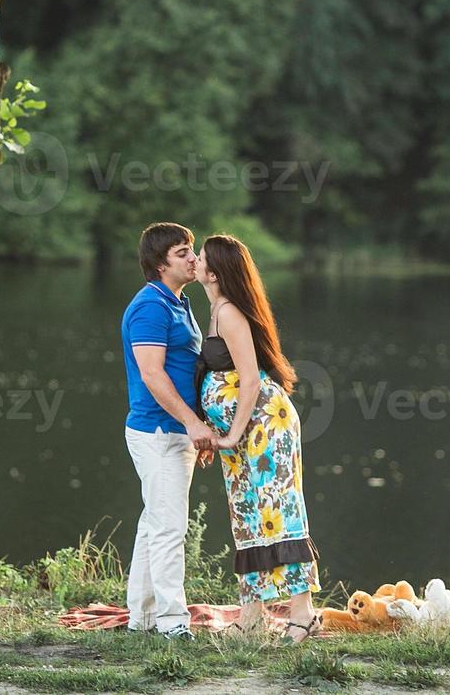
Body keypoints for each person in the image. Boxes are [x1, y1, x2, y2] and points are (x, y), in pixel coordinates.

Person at [193, 233, 322, 644]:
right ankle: (251, 617)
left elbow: (250, 379)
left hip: (264, 425)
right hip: (241, 433)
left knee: (278, 511)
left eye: (200, 258)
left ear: (214, 272)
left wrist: (230, 434)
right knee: (248, 516)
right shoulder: (215, 309)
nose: (194, 261)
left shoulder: (229, 312)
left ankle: (304, 616)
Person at [119, 222, 216, 640]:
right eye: (183, 253)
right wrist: (192, 422)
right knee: (169, 527)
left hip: (179, 431)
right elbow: (153, 375)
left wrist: (200, 423)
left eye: (192, 250)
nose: (193, 258)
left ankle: (140, 619)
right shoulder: (150, 307)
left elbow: (185, 371)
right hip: (157, 432)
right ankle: (173, 623)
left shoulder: (178, 302)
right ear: (160, 264)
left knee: (154, 523)